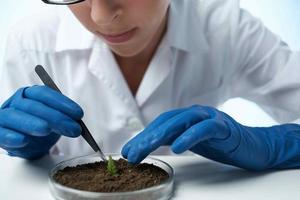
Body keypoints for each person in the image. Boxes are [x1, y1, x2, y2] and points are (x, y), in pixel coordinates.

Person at [0, 0, 300, 171]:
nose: (101, 17)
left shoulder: (226, 28)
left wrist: (274, 145)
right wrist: (25, 154)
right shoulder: (30, 44)